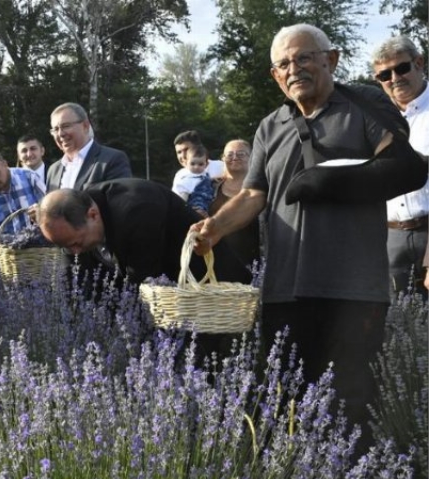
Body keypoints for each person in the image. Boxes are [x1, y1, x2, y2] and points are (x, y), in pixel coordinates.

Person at [192, 24, 427, 454]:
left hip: (352, 289)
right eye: (283, 63)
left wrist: (333, 181)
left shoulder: (362, 104)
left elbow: (400, 165)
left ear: (330, 60)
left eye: (303, 57)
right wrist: (215, 228)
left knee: (352, 405)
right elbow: (252, 195)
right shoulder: (270, 125)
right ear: (274, 76)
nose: (294, 69)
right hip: (284, 290)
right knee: (285, 402)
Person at [38, 178, 250, 287]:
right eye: (66, 246)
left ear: (93, 215)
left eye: (76, 243)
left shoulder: (135, 210)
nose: (74, 252)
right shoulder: (74, 219)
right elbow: (74, 277)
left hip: (208, 285)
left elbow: (142, 280)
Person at [371, 35, 429, 297]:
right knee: (400, 329)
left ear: (419, 63)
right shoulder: (374, 120)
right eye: (384, 75)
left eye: (401, 68)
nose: (394, 78)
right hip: (391, 240)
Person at [0, 149, 46, 271]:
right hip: (12, 263)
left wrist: (40, 212)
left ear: (5, 164)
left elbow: (51, 209)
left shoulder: (29, 177)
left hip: (41, 254)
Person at [46, 103, 132, 191]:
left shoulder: (112, 159)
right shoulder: (53, 170)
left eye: (66, 126)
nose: (60, 134)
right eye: (56, 129)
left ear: (85, 126)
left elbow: (120, 202)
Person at [209, 140, 261, 268]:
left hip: (254, 263)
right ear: (223, 159)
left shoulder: (262, 190)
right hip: (215, 261)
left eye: (241, 154)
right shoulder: (208, 188)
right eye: (229, 154)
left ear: (252, 158)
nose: (234, 158)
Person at [172, 144, 214, 218]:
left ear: (206, 164)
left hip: (208, 206)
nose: (196, 167)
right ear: (186, 162)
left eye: (200, 164)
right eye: (192, 164)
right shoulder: (187, 179)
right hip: (194, 208)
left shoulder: (205, 175)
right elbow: (182, 197)